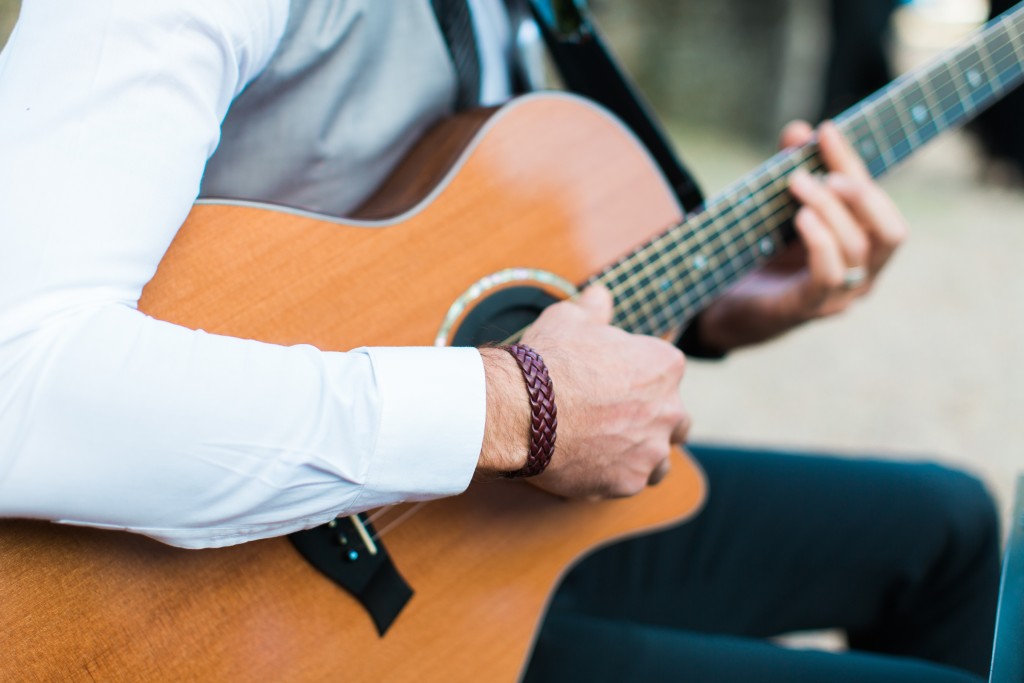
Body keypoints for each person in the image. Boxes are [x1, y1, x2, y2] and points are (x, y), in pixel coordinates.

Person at [0, 2, 1000, 682]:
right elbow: (17, 384)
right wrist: (515, 406)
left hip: (451, 522)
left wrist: (715, 305)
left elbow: (474, 253)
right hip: (222, 597)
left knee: (947, 528)